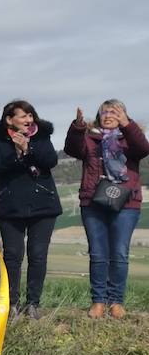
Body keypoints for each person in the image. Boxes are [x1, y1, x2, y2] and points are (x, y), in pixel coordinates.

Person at [65, 100, 148, 319]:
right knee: (98, 254)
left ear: (124, 115)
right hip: (93, 202)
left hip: (126, 203)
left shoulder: (131, 138)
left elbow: (143, 149)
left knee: (119, 254)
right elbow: (71, 148)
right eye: (104, 111)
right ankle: (98, 301)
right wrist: (77, 126)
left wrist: (128, 125)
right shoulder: (89, 139)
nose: (108, 115)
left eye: (114, 111)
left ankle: (117, 302)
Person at [0, 99, 61, 320]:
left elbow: (50, 160)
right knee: (12, 256)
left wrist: (28, 149)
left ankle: (33, 304)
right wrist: (17, 154)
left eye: (31, 115)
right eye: (23, 116)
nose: (29, 120)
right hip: (10, 206)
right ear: (10, 120)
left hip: (43, 205)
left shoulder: (42, 136)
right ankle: (11, 304)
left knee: (38, 256)